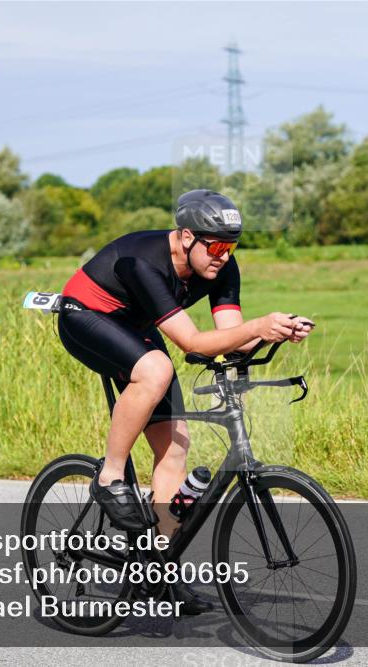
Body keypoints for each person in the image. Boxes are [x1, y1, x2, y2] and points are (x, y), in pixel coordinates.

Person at [56, 189, 313, 613]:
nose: (224, 256)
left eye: (232, 247)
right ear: (187, 237)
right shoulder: (142, 261)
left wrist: (272, 332)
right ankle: (109, 477)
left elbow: (226, 343)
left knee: (175, 446)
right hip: (85, 315)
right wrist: (257, 326)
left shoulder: (222, 268)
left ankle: (156, 572)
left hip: (133, 324)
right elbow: (192, 341)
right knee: (155, 369)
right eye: (216, 246)